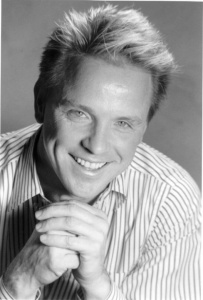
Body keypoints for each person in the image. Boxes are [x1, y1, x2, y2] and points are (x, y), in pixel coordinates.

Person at [0, 4, 201, 300]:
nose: (96, 146)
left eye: (123, 123)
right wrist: (17, 284)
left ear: (144, 127)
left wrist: (99, 288)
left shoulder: (169, 202)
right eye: (79, 114)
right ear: (41, 103)